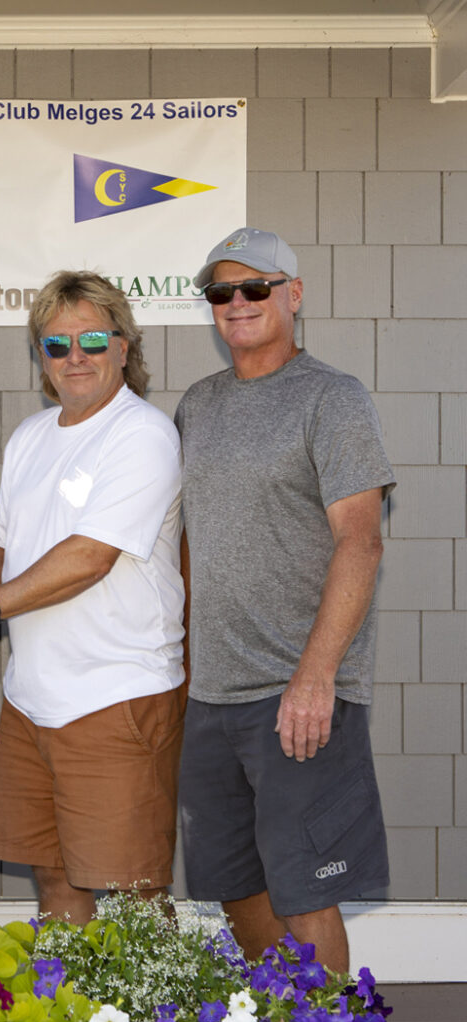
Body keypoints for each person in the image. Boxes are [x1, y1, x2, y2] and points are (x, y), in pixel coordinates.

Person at [0, 270, 186, 922]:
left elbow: (88, 558)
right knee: (56, 881)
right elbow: (3, 551)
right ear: (41, 357)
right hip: (31, 699)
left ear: (124, 346)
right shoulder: (30, 438)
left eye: (91, 338)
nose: (75, 356)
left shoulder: (142, 435)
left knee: (134, 893)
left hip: (116, 696)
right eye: (55, 344)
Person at [175, 227, 395, 972]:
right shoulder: (197, 405)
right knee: (234, 890)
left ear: (292, 295)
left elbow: (361, 541)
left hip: (299, 695)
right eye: (221, 292)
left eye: (255, 288)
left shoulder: (332, 399)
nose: (237, 303)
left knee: (306, 894)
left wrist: (316, 675)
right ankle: (280, 1010)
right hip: (211, 695)